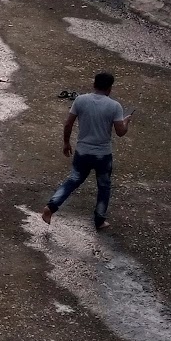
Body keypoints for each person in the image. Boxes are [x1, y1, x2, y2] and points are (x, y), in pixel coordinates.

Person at [42, 72, 132, 232]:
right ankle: (99, 220)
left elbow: (68, 124)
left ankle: (51, 207)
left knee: (73, 180)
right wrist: (126, 122)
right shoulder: (114, 106)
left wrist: (66, 143)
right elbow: (120, 132)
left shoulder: (80, 100)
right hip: (103, 154)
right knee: (104, 186)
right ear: (110, 88)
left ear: (94, 84)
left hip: (82, 151)